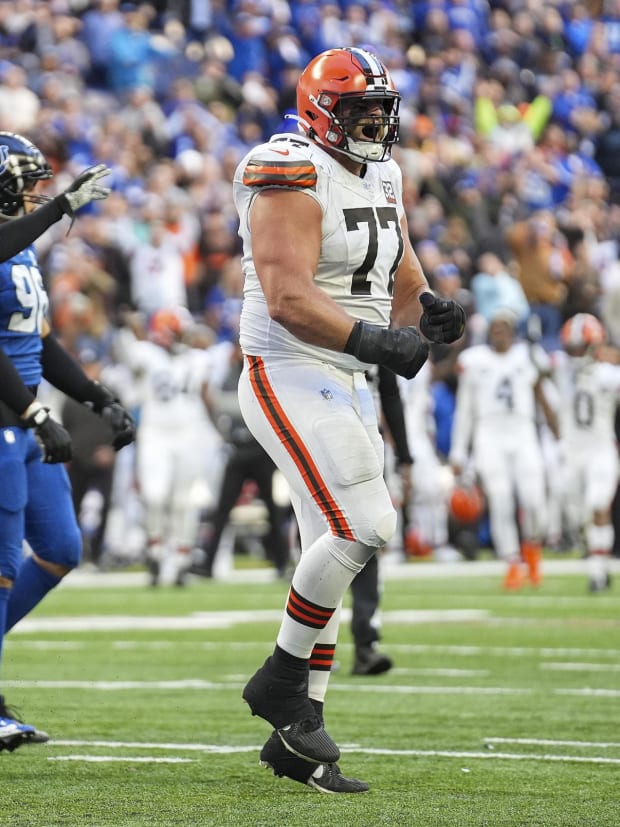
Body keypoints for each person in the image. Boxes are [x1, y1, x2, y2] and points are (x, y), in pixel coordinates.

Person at [232, 47, 465, 793]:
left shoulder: (387, 172)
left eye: (381, 111)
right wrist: (374, 340)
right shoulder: (288, 167)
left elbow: (399, 273)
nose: (375, 122)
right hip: (288, 368)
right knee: (365, 524)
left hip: (350, 377)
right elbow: (288, 296)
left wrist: (428, 312)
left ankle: (301, 743)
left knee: (333, 543)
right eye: (361, 110)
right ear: (320, 111)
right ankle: (280, 680)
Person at [0, 132, 136, 752]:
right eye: (27, 180)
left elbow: (39, 342)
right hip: (8, 419)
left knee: (59, 549)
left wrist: (96, 396)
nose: (37, 192)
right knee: (1, 568)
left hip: (25, 418)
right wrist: (30, 412)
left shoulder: (24, 252)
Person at [449, 308, 558, 590]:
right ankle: (511, 562)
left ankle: (532, 549)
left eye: (504, 326)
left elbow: (546, 395)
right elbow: (465, 410)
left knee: (533, 499)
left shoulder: (529, 356)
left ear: (513, 330)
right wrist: (459, 450)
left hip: (523, 432)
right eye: (494, 326)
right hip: (489, 434)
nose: (499, 331)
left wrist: (555, 435)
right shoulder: (474, 361)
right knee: (500, 499)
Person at [118, 306, 217, 586]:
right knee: (154, 495)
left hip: (189, 433)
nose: (186, 336)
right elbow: (130, 355)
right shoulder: (146, 355)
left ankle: (183, 559)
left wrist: (219, 426)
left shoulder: (197, 359)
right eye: (180, 330)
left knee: (184, 501)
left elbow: (206, 394)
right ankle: (155, 550)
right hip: (156, 434)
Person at [190, 336, 291, 580]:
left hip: (260, 450)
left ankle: (282, 562)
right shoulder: (228, 376)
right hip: (238, 448)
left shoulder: (262, 371)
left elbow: (261, 406)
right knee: (222, 510)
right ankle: (208, 562)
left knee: (273, 510)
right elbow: (228, 406)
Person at [553, 314, 620, 592]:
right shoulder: (560, 368)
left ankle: (597, 573)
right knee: (577, 514)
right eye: (573, 347)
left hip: (600, 449)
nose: (576, 353)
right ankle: (599, 564)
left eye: (580, 346)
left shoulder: (608, 374)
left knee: (598, 506)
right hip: (571, 452)